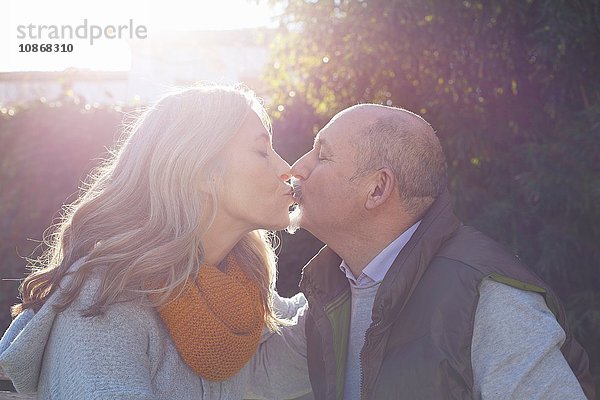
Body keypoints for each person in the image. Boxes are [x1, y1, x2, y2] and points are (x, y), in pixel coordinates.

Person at [0, 84, 310, 399]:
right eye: (262, 151)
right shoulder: (103, 300)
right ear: (200, 169)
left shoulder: (237, 294)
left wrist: (342, 223)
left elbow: (310, 343)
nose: (286, 170)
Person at [288, 104, 594, 399]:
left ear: (377, 189)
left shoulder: (489, 300)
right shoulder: (330, 293)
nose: (297, 168)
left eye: (322, 155)